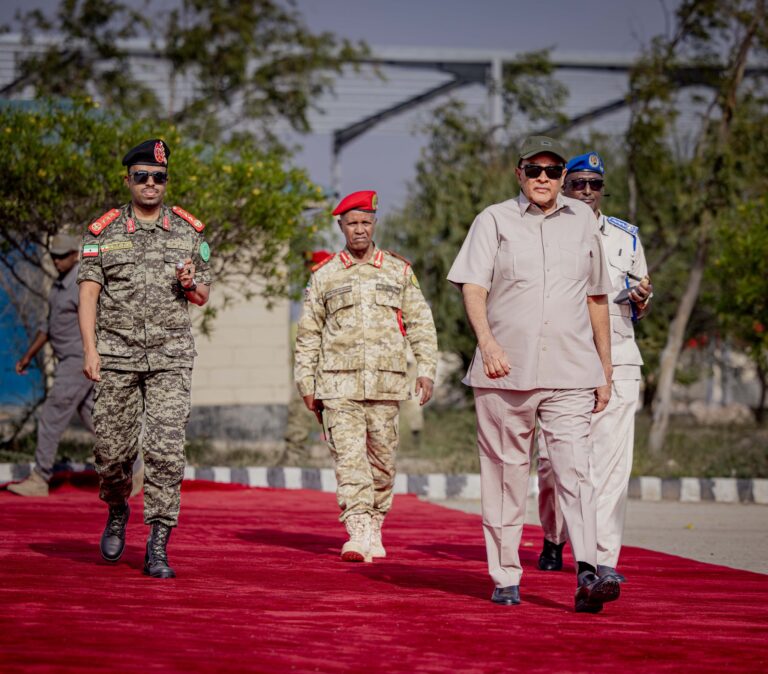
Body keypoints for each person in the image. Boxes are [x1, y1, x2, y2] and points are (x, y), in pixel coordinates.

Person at [447, 135, 620, 613]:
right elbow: (473, 286)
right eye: (534, 169)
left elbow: (597, 297)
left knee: (574, 472)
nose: (543, 178)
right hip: (505, 371)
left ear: (564, 175)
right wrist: (487, 343)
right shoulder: (494, 220)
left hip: (571, 370)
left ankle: (589, 570)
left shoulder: (583, 220)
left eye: (552, 170)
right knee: (506, 476)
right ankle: (505, 575)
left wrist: (604, 370)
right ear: (518, 173)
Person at [77, 138, 211, 579]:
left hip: (171, 357)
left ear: (166, 181)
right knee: (111, 451)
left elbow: (202, 296)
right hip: (116, 356)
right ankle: (117, 507)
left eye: (158, 177)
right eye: (142, 177)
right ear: (128, 180)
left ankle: (158, 542)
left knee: (166, 451)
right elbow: (88, 295)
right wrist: (91, 350)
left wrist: (191, 284)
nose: (151, 184)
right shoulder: (104, 231)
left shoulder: (189, 232)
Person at [294, 190, 438, 562]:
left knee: (383, 462)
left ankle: (375, 522)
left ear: (375, 224)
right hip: (338, 385)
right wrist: (306, 384)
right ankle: (357, 528)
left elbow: (421, 323)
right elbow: (308, 333)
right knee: (349, 459)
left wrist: (426, 370)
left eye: (365, 222)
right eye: (352, 223)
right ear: (340, 226)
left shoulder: (398, 270)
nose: (359, 230)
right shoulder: (325, 275)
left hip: (386, 384)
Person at [536, 151, 652, 583]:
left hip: (619, 358)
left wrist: (642, 297)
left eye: (595, 184)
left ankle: (603, 561)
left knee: (610, 469)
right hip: (562, 360)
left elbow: (641, 295)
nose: (587, 191)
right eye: (579, 183)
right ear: (565, 186)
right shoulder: (544, 231)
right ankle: (554, 535)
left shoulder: (626, 238)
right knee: (552, 464)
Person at [7, 235, 95, 497]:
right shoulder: (58, 286)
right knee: (98, 420)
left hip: (77, 360)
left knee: (50, 417)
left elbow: (94, 320)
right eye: (54, 256)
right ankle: (135, 469)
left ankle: (40, 477)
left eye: (62, 255)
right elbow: (47, 326)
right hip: (67, 361)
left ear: (75, 254)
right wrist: (27, 356)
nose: (56, 260)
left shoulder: (82, 284)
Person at [281, 250, 333, 466]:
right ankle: (294, 458)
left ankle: (296, 457)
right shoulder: (313, 287)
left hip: (324, 361)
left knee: (316, 410)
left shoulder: (325, 285)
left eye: (311, 264)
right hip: (310, 359)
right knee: (301, 408)